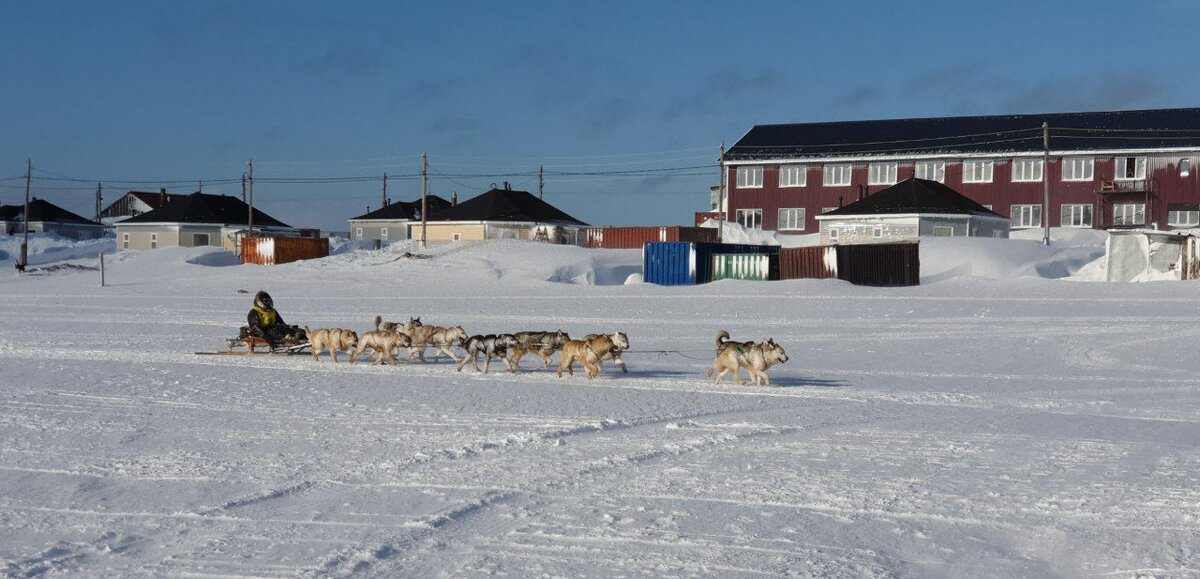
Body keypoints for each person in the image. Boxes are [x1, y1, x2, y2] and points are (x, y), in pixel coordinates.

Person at [240, 290, 304, 348]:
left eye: (269, 301)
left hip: (271, 328)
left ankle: (302, 336)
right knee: (275, 331)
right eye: (266, 302)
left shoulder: (273, 311)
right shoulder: (254, 312)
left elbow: (280, 323)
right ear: (260, 303)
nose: (268, 304)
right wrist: (266, 337)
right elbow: (254, 327)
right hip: (261, 332)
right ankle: (289, 339)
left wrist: (290, 328)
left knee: (292, 330)